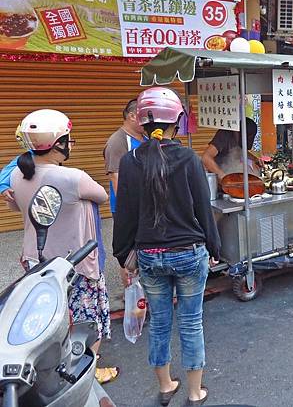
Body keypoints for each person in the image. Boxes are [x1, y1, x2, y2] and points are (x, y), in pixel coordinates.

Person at [113, 87, 220, 407]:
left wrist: (123, 255)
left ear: (142, 122)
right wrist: (214, 248)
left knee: (159, 322)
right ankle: (193, 392)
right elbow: (204, 207)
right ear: (178, 120)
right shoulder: (188, 158)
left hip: (149, 256)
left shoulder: (130, 162)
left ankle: (165, 387)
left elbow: (125, 213)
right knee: (190, 322)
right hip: (189, 254)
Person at [5, 109, 118, 384]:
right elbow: (102, 195)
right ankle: (86, 373)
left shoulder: (18, 176)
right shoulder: (73, 177)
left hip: (36, 260)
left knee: (51, 319)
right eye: (69, 139)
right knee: (86, 320)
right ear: (58, 144)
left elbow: (16, 203)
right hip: (74, 263)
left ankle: (53, 372)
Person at [103, 98, 146, 288]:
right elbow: (116, 179)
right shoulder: (117, 142)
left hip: (144, 206)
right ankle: (131, 295)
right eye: (143, 116)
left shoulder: (145, 138)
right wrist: (131, 212)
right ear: (131, 116)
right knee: (129, 253)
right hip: (127, 209)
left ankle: (144, 291)